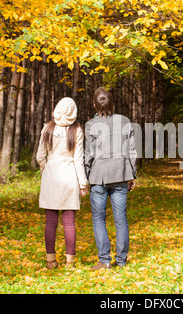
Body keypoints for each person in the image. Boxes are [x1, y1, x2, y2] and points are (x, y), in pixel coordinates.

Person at [84, 87, 137, 270]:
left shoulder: (90, 124)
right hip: (121, 174)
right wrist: (132, 174)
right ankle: (121, 261)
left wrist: (87, 175)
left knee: (99, 219)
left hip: (99, 176)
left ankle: (104, 261)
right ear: (112, 103)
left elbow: (88, 154)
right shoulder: (124, 121)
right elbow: (131, 151)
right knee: (120, 218)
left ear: (94, 104)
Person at [37, 97, 88, 269]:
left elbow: (39, 157)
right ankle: (70, 262)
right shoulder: (77, 130)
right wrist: (82, 184)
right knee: (69, 223)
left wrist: (46, 169)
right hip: (69, 176)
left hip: (51, 176)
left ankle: (50, 261)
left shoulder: (47, 128)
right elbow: (78, 160)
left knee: (50, 222)